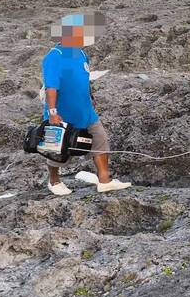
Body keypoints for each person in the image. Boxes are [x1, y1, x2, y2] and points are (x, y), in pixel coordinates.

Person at [41, 12, 131, 195]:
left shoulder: (82, 54)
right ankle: (54, 181)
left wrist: (91, 97)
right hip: (61, 113)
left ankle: (104, 180)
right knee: (58, 151)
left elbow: (84, 78)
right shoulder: (54, 57)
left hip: (85, 111)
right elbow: (51, 87)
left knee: (100, 140)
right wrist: (52, 112)